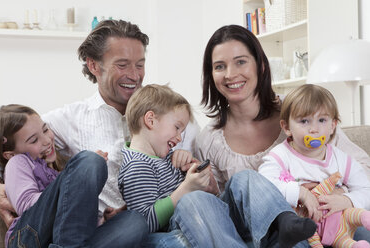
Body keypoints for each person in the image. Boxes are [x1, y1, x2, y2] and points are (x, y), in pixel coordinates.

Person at [0, 19, 199, 247]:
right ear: (94, 66)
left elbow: (200, 177)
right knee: (91, 161)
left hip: (130, 228)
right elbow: (14, 140)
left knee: (141, 225)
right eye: (122, 65)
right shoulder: (67, 120)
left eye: (140, 65)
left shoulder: (174, 118)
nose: (134, 76)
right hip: (82, 231)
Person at [194, 24, 370, 247]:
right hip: (259, 235)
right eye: (220, 66)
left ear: (261, 66)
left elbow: (362, 168)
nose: (230, 74)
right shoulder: (209, 139)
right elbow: (218, 209)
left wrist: (332, 194)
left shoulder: (302, 111)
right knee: (245, 179)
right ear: (211, 75)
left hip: (325, 219)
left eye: (240, 61)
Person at [118, 84, 316, 248]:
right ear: (150, 120)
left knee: (244, 177)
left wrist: (193, 170)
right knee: (193, 200)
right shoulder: (137, 166)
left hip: (215, 219)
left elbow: (208, 195)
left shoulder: (165, 155)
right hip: (185, 227)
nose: (179, 138)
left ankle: (282, 222)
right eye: (177, 127)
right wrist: (186, 189)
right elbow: (144, 223)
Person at [0, 104, 148, 248]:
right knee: (90, 161)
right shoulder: (18, 162)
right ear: (10, 154)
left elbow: (73, 222)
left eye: (45, 130)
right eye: (33, 140)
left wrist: (101, 221)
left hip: (63, 239)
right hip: (28, 237)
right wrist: (70, 184)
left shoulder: (56, 170)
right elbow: (26, 206)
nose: (46, 140)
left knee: (134, 222)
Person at [258, 84, 370, 247]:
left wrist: (347, 200)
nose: (314, 129)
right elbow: (263, 186)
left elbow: (367, 190)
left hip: (339, 226)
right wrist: (301, 192)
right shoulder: (281, 156)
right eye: (304, 121)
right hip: (301, 231)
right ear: (287, 127)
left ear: (333, 126)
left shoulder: (342, 160)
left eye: (322, 120)